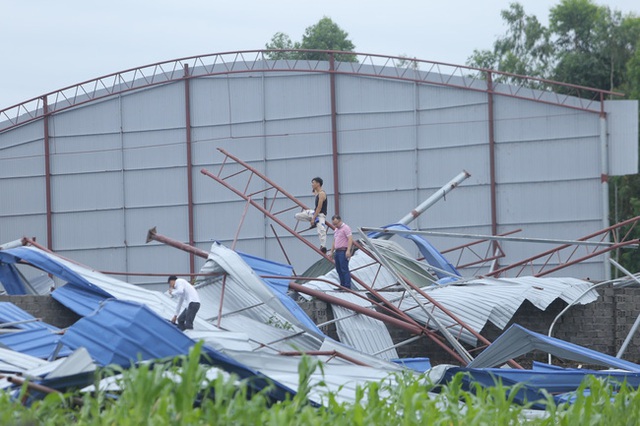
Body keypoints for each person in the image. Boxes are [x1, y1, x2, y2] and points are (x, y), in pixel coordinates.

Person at [294, 177, 328, 253]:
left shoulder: (322, 194)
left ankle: (323, 246)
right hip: (314, 213)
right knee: (297, 216)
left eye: (313, 182)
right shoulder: (317, 193)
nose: (312, 184)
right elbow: (314, 192)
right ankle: (314, 221)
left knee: (322, 230)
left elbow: (319, 208)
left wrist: (313, 218)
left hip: (320, 215)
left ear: (318, 184)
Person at [330, 215, 353, 289]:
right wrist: (331, 251)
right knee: (338, 269)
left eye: (336, 223)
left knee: (344, 268)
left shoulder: (346, 228)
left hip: (343, 251)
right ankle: (342, 285)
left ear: (340, 221)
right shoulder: (336, 230)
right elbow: (334, 241)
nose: (335, 225)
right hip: (337, 251)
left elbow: (350, 239)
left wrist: (348, 250)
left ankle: (347, 285)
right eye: (334, 224)